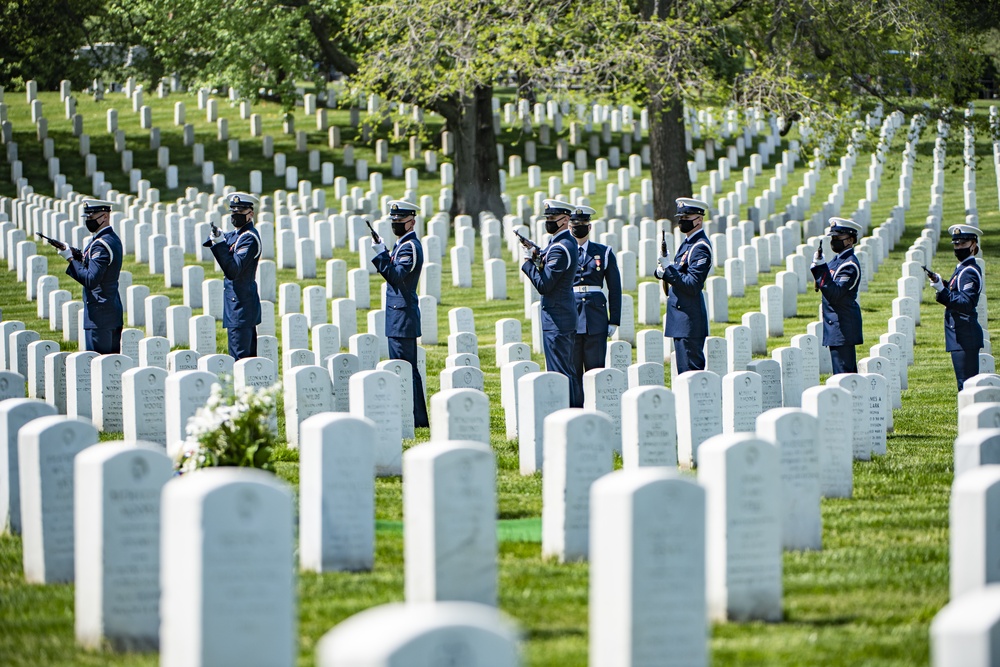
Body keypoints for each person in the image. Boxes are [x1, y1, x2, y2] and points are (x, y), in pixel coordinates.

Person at [371, 200, 429, 428]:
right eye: (393, 221)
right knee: (404, 368)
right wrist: (385, 250)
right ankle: (414, 417)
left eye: (400, 221)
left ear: (412, 222)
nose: (395, 224)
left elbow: (397, 276)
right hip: (398, 317)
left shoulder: (410, 246)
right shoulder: (401, 245)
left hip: (402, 318)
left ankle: (416, 418)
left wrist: (380, 254)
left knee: (405, 369)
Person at [522, 199, 581, 407]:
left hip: (558, 318)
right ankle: (574, 411)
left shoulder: (560, 247)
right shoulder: (562, 243)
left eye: (552, 218)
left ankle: (569, 413)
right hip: (561, 315)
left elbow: (545, 285)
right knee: (566, 370)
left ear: (565, 220)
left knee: (560, 372)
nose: (548, 222)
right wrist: (537, 253)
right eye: (547, 218)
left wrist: (528, 263)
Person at [569, 204, 621, 408]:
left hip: (595, 317)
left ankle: (596, 407)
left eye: (582, 224)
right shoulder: (564, 251)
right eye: (574, 224)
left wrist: (614, 319)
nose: (578, 227)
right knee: (572, 370)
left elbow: (615, 289)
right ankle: (575, 409)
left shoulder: (604, 252)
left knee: (595, 367)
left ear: (589, 227)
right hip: (571, 314)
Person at [655, 197, 713, 374]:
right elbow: (680, 274)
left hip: (689, 321)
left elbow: (692, 284)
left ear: (699, 219)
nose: (682, 221)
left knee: (691, 375)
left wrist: (668, 269)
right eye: (680, 217)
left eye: (687, 218)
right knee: (684, 375)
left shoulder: (700, 247)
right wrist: (664, 270)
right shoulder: (688, 244)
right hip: (681, 320)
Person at [60, 198, 123, 354]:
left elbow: (91, 279)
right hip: (111, 313)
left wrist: (70, 259)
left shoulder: (101, 244)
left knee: (99, 368)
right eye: (87, 217)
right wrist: (79, 256)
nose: (89, 220)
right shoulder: (111, 239)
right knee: (111, 370)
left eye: (92, 217)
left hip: (99, 317)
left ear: (105, 216)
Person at [205, 192, 262, 360]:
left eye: (240, 212)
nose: (235, 216)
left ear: (250, 214)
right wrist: (217, 237)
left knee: (241, 360)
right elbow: (212, 241)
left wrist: (220, 242)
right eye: (233, 212)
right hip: (240, 307)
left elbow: (233, 270)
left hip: (241, 309)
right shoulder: (238, 235)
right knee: (246, 361)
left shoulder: (249, 239)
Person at [929, 224, 984, 390]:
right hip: (960, 335)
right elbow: (957, 293)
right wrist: (942, 283)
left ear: (973, 245)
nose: (958, 247)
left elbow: (966, 304)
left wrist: (942, 291)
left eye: (962, 244)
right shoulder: (962, 269)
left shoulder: (969, 271)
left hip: (965, 335)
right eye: (956, 244)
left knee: (966, 386)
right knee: (964, 384)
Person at [810, 217, 864, 374]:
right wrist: (818, 264)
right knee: (841, 374)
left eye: (838, 238)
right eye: (832, 238)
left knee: (844, 376)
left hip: (843, 327)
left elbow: (835, 294)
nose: (833, 241)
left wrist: (820, 268)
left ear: (850, 240)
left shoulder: (849, 265)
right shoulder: (837, 261)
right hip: (835, 328)